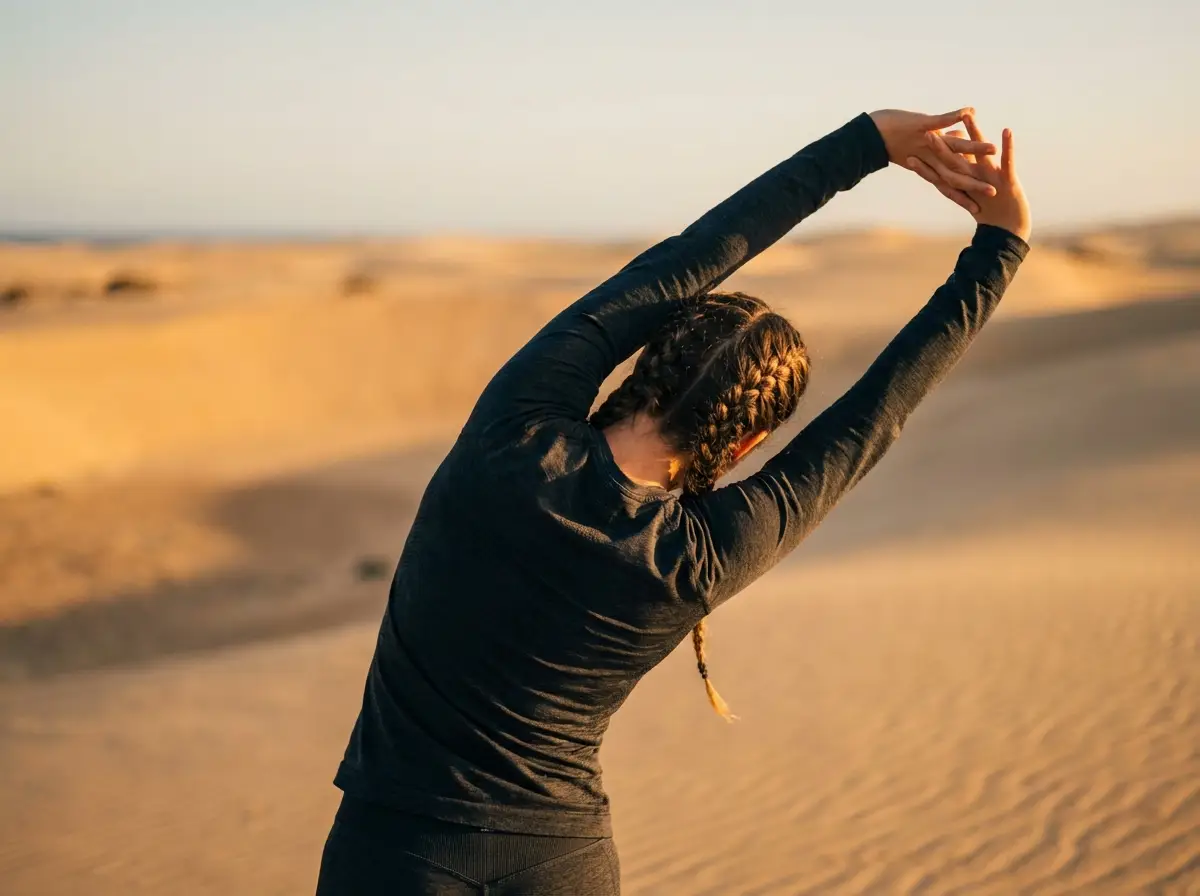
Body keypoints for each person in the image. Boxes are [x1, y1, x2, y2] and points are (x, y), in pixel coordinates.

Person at [316, 108, 1031, 895]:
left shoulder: (515, 429)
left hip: (395, 852)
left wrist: (866, 144)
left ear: (648, 357)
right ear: (746, 445)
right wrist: (999, 248)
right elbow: (875, 415)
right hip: (561, 864)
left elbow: (687, 259)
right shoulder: (702, 555)